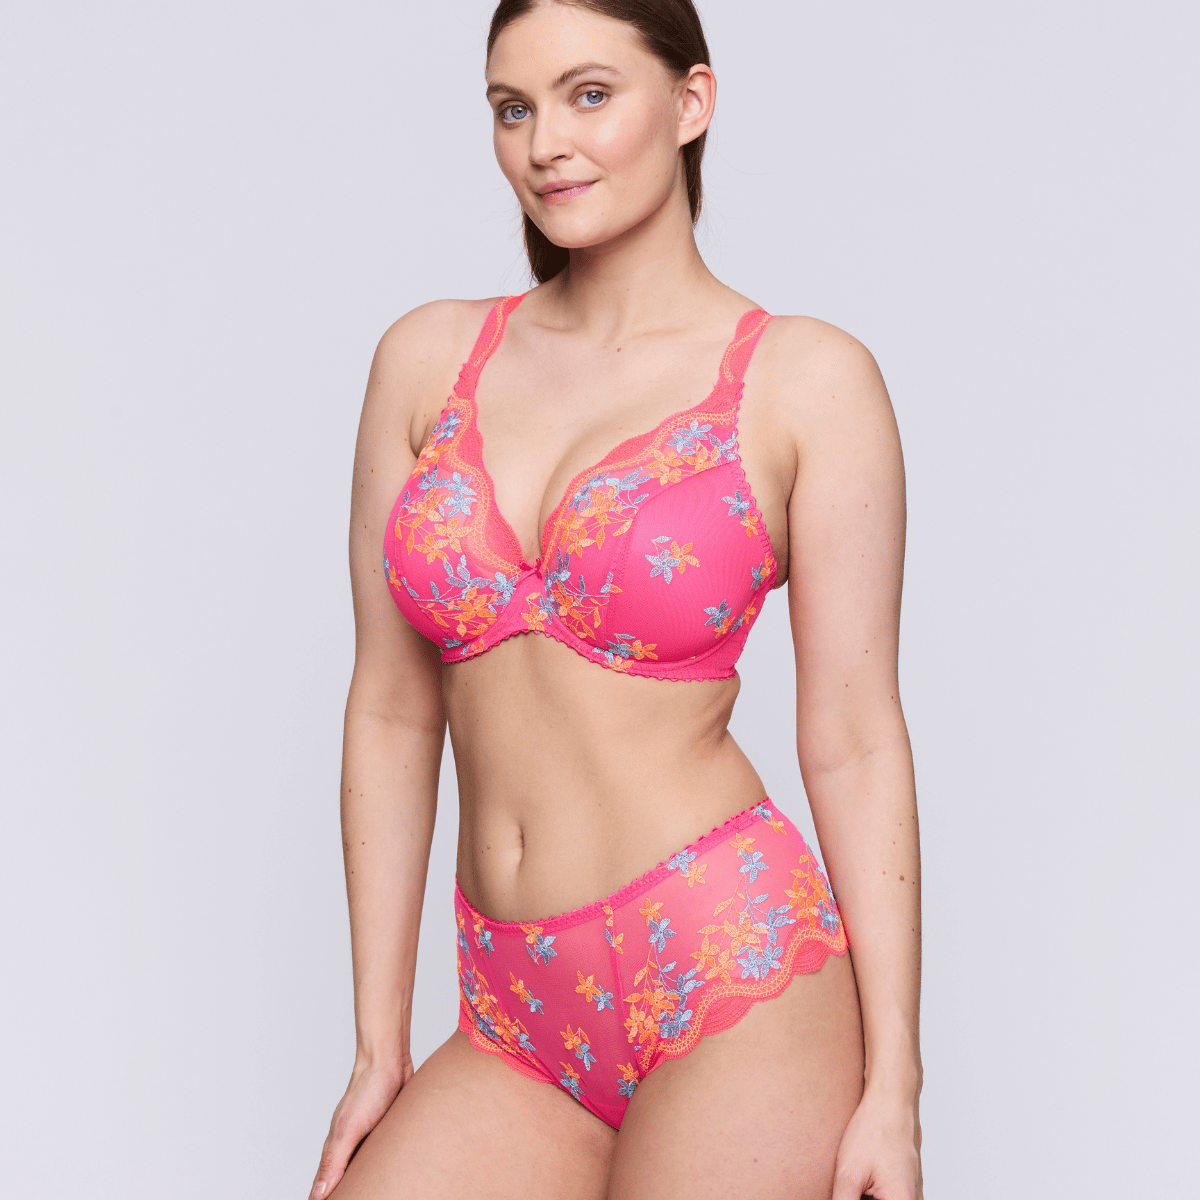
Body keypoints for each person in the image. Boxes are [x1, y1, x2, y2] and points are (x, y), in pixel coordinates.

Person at [311, 1, 922, 1196]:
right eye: (514, 108)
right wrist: (379, 1043)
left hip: (728, 974)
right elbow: (390, 710)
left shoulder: (806, 382)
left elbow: (854, 740)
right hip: (512, 1012)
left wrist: (894, 1081)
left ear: (692, 102)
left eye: (589, 95)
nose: (546, 143)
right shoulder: (425, 362)